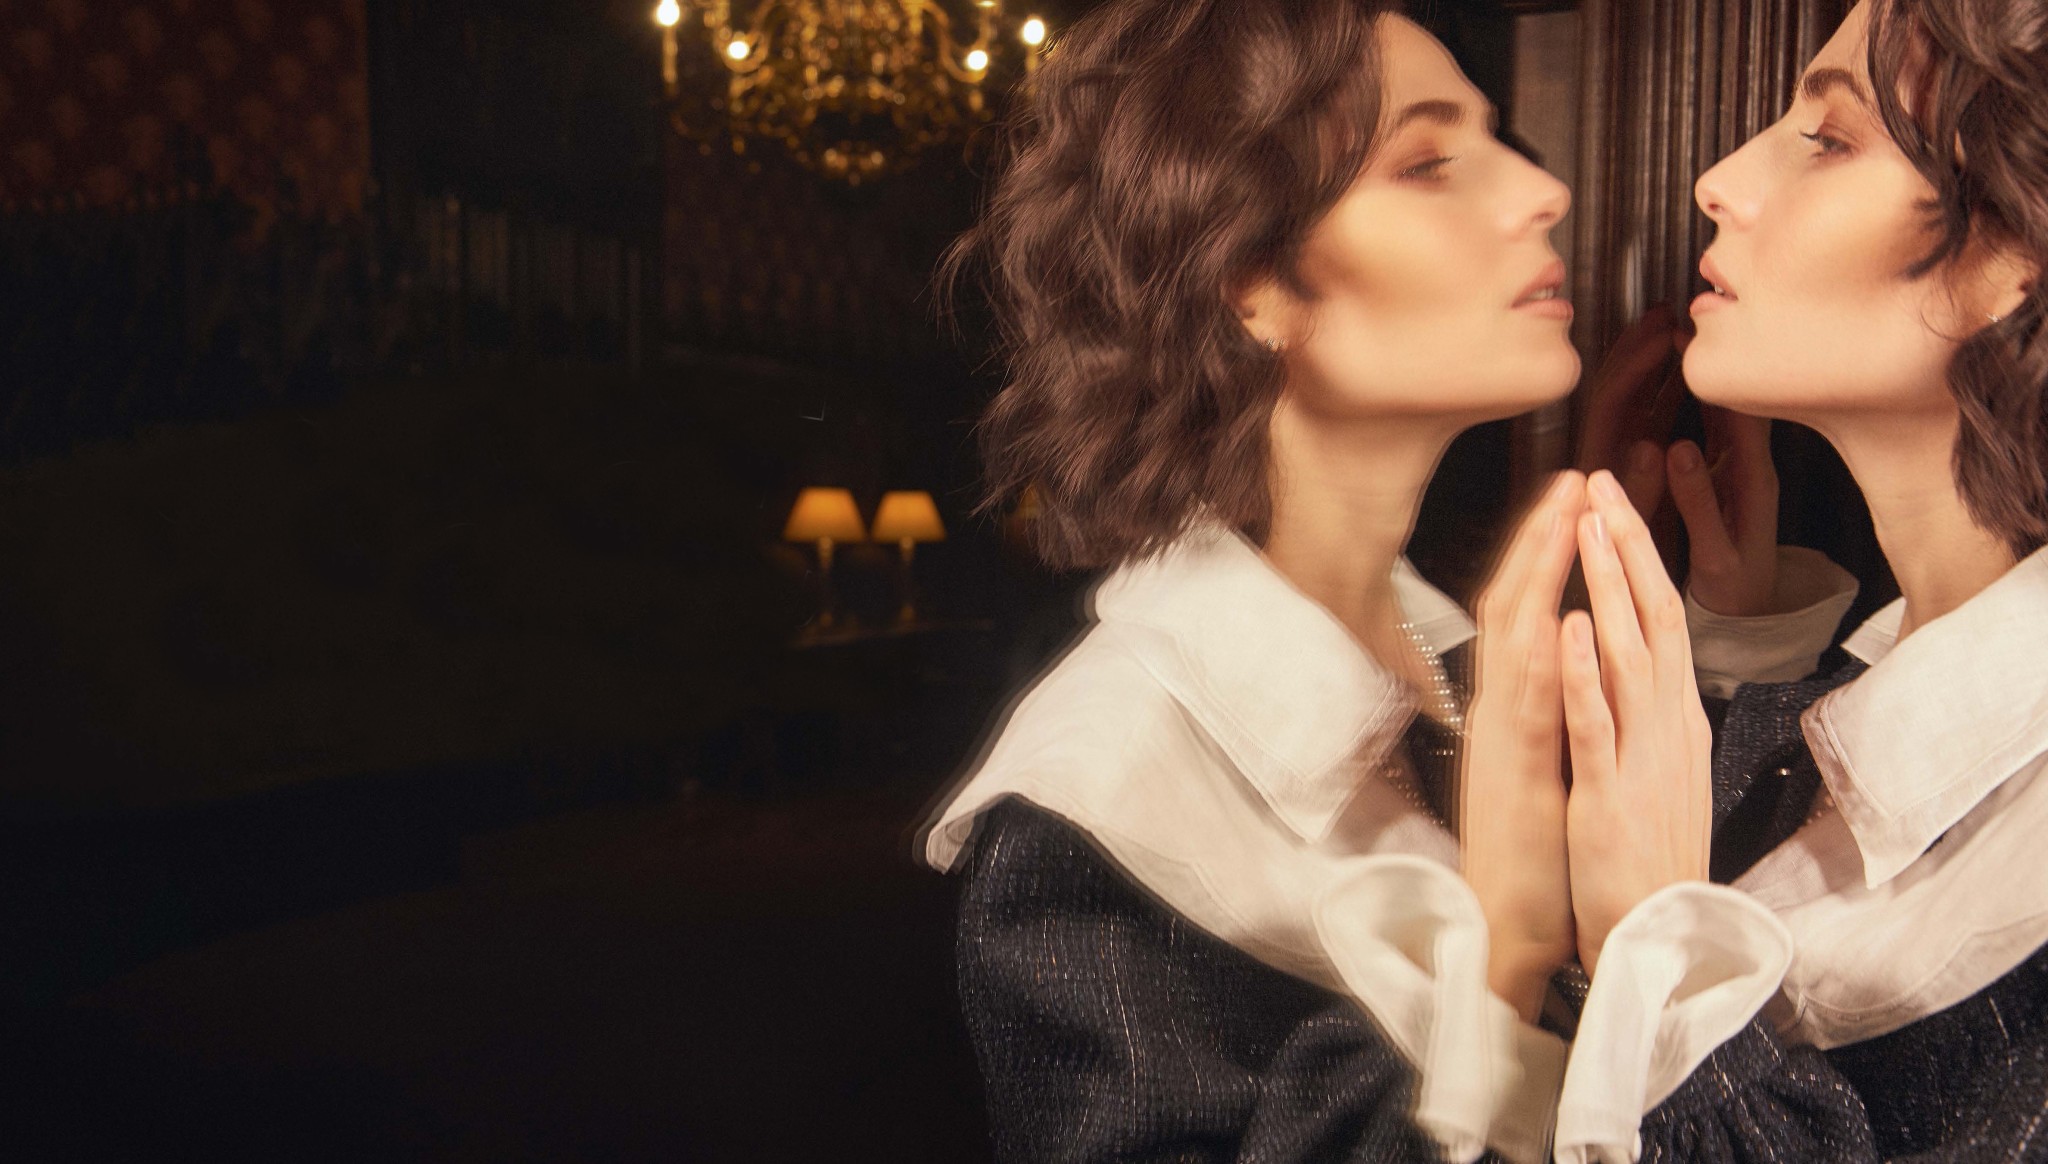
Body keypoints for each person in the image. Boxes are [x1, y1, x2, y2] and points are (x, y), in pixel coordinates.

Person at [921, 0, 1602, 1159]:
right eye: (1427, 163)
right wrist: (1498, 968)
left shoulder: (1454, 653)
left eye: (1497, 141)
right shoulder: (1091, 811)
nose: (1542, 192)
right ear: (1252, 286)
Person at [1533, 1, 2048, 1159]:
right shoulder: (1840, 712)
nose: (1716, 180)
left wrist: (1653, 953)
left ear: (2010, 258)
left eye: (1826, 139)